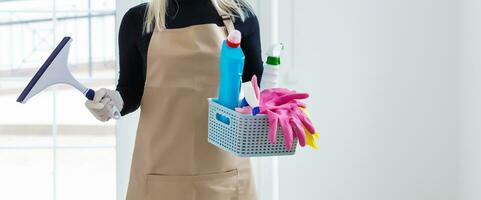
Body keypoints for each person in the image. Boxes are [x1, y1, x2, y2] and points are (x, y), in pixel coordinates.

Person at [85, 0, 263, 199]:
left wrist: (275, 111)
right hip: (158, 171)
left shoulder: (240, 14)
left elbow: (254, 94)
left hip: (226, 174)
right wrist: (111, 102)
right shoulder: (139, 20)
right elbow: (130, 90)